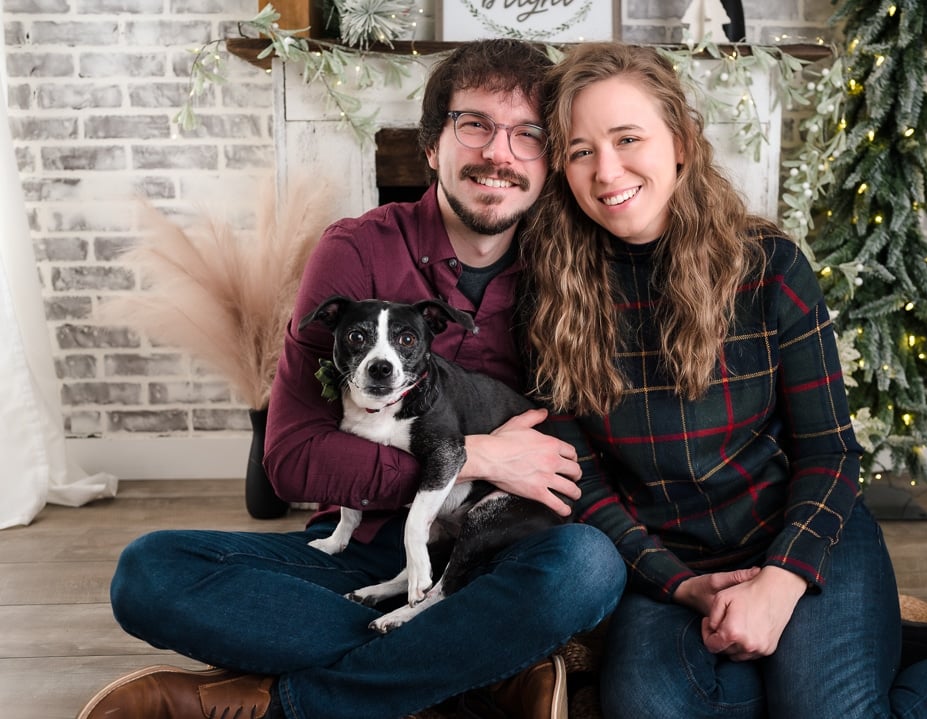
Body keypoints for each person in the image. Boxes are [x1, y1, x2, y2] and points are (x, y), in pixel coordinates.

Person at [519, 41, 927, 718]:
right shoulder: (549, 294)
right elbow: (584, 483)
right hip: (670, 570)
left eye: (628, 137)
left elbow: (830, 452)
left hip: (800, 531)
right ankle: (897, 645)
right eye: (580, 150)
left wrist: (780, 583)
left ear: (682, 144)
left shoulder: (767, 266)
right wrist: (683, 586)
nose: (607, 170)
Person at [78, 39, 626, 719]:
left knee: (589, 566)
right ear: (432, 146)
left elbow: (576, 452)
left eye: (527, 134)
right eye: (474, 125)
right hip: (358, 552)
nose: (499, 153)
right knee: (149, 572)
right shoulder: (358, 251)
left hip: (489, 560)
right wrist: (475, 456)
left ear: (549, 158)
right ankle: (471, 672)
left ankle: (291, 703)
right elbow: (292, 458)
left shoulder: (573, 270)